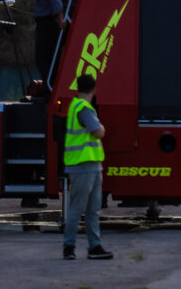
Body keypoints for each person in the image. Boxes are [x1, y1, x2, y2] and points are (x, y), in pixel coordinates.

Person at [62, 74, 112, 261]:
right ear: (94, 89)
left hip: (86, 165)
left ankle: (91, 247)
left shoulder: (76, 106)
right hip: (85, 165)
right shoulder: (85, 109)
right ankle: (74, 246)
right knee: (84, 208)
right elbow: (98, 132)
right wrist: (102, 127)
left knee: (86, 208)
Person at [33, 0, 65, 85]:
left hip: (47, 24)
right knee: (48, 58)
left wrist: (60, 19)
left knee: (43, 58)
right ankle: (49, 85)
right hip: (48, 23)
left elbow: (55, 1)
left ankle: (49, 87)